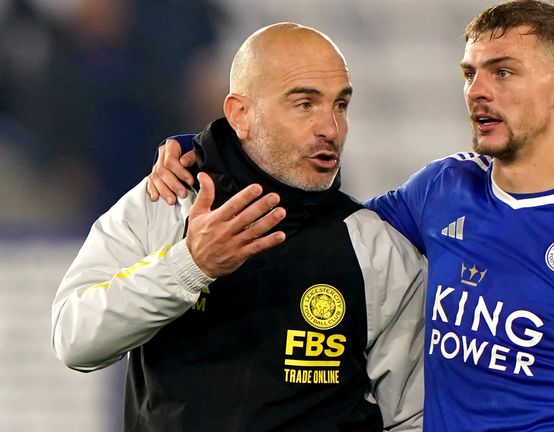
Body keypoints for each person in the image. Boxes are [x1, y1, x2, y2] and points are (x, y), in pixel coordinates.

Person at [149, 1, 554, 430]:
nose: (478, 91)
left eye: (503, 72)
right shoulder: (444, 187)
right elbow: (327, 229)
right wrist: (211, 150)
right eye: (470, 73)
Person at [52, 23, 426, 432]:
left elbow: (411, 418)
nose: (331, 130)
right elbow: (75, 339)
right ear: (240, 115)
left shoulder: (375, 248)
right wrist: (190, 265)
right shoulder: (167, 202)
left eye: (340, 105)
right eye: (304, 104)